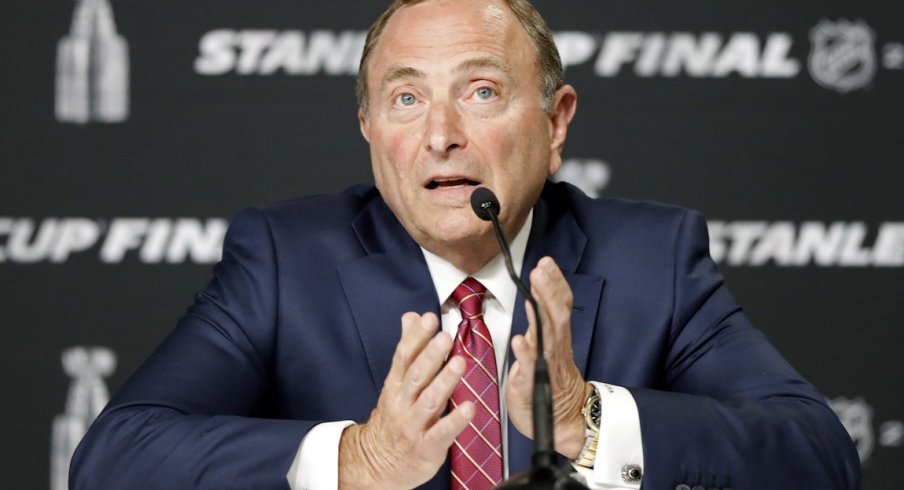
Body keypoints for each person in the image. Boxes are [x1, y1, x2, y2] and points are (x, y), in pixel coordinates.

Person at [70, 0, 861, 489]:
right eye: (406, 97)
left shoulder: (651, 257)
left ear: (555, 125)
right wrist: (360, 462)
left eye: (480, 91)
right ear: (370, 131)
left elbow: (820, 458)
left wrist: (583, 421)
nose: (440, 135)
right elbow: (113, 462)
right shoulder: (284, 259)